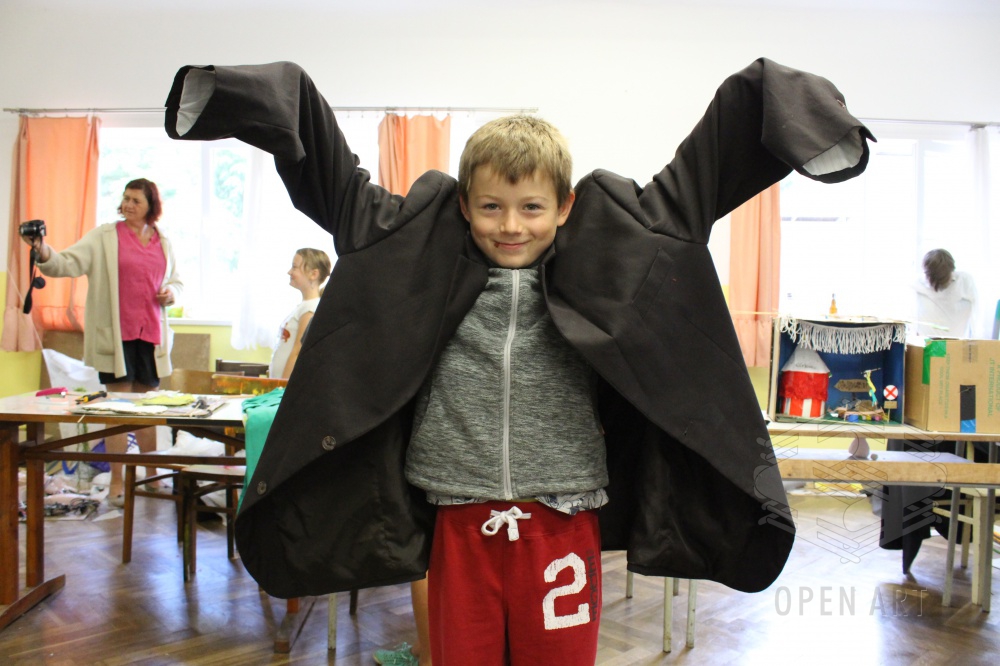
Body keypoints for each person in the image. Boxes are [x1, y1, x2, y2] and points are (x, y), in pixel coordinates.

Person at [165, 58, 873, 664]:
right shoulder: (416, 257)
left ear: (565, 206)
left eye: (531, 208)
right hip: (458, 513)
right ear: (463, 207)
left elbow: (704, 172)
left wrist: (790, 108)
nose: (510, 225)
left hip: (562, 514)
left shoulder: (611, 259)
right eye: (491, 207)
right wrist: (258, 98)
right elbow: (331, 176)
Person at [22, 178, 183, 506]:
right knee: (117, 410)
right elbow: (66, 263)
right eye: (125, 198)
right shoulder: (104, 236)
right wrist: (41, 249)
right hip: (115, 337)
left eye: (135, 200)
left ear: (151, 207)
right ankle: (117, 483)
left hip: (150, 336)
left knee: (148, 410)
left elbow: (176, 281)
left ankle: (151, 478)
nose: (127, 205)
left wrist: (172, 293)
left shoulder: (164, 241)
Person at [269, 248, 330, 379]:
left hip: (284, 385)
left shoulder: (310, 308)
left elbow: (298, 351)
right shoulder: (304, 306)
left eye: (294, 267)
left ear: (313, 274)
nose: (289, 272)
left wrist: (283, 385)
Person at [913, 248, 978, 338]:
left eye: (944, 279)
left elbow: (976, 313)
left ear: (952, 271)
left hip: (956, 339)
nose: (940, 285)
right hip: (927, 341)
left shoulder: (964, 281)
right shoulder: (916, 286)